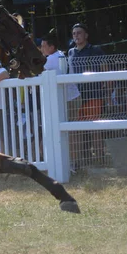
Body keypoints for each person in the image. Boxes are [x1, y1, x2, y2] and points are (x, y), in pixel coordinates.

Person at [40, 33, 82, 170]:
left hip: (68, 98)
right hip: (71, 97)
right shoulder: (59, 54)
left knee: (70, 133)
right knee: (70, 132)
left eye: (43, 46)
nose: (41, 49)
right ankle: (72, 162)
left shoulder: (51, 59)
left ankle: (72, 164)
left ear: (51, 47)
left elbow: (35, 72)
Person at [68, 23, 106, 167]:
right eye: (74, 33)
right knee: (77, 130)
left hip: (94, 94)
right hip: (76, 97)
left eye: (79, 33)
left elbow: (105, 70)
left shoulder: (95, 50)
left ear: (86, 35)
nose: (76, 36)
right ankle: (80, 162)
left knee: (94, 128)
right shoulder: (70, 52)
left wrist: (107, 92)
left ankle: (100, 160)